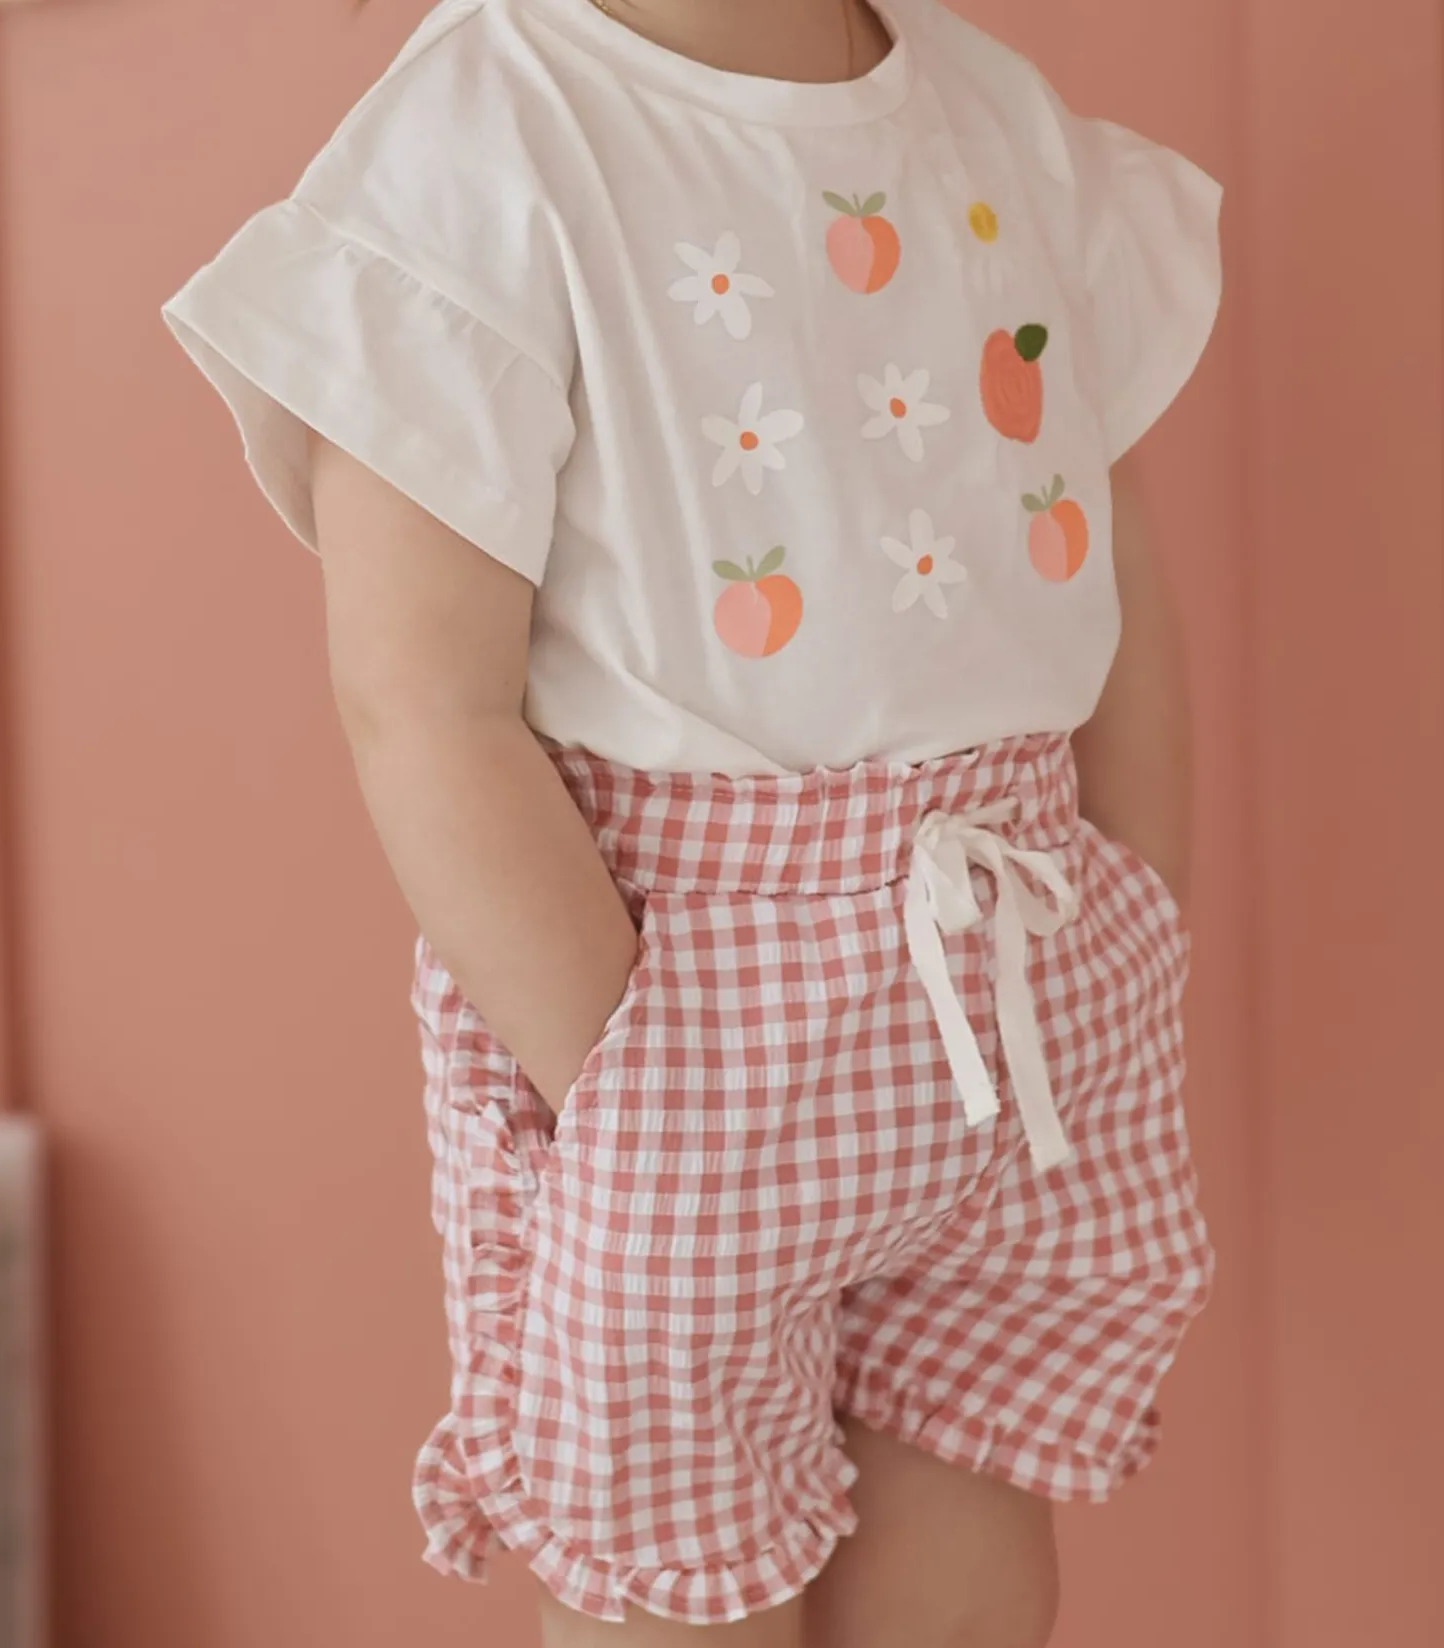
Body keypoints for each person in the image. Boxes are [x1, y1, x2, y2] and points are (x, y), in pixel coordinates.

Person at [162, 0, 1223, 1642]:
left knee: (971, 1521)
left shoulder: (991, 114)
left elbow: (1111, 560)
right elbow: (425, 705)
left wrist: (1133, 921)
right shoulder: (483, 138)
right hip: (675, 1010)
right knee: (676, 1582)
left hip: (1014, 985)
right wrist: (632, 1083)